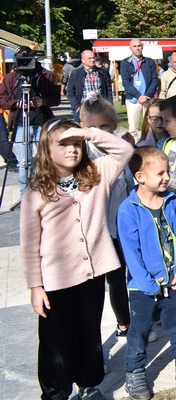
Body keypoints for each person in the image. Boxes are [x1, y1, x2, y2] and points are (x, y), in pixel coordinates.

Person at [21, 119, 134, 400]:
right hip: (55, 280)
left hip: (92, 274)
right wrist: (35, 286)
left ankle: (89, 384)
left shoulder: (96, 175)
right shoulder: (36, 193)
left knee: (89, 333)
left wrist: (87, 132)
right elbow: (30, 245)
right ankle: (56, 392)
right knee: (56, 341)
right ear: (46, 149)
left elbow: (125, 151)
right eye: (63, 144)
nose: (72, 149)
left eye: (77, 144)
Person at [118, 148, 176, 399]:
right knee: (140, 331)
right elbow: (131, 253)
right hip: (143, 287)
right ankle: (135, 372)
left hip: (175, 282)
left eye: (167, 171)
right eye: (160, 173)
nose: (167, 177)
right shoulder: (128, 210)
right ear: (139, 176)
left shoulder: (174, 201)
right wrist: (147, 283)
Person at [78, 96, 138, 343]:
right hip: (95, 228)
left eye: (104, 127)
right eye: (93, 128)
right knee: (98, 282)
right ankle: (96, 333)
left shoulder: (121, 148)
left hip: (120, 225)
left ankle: (128, 320)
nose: (99, 133)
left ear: (113, 125)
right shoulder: (82, 152)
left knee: (122, 276)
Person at [0, 48, 61, 192]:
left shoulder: (46, 76)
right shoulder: (11, 77)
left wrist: (42, 101)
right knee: (24, 162)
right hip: (20, 123)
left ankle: (45, 192)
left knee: (45, 159)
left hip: (42, 121)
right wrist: (16, 103)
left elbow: (56, 99)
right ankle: (25, 195)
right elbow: (2, 99)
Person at [120, 39, 159, 143]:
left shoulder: (149, 61)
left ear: (142, 47)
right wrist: (138, 96)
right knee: (133, 129)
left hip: (147, 98)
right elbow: (125, 82)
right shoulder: (125, 62)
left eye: (139, 46)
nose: (137, 48)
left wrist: (147, 94)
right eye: (134, 46)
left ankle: (151, 147)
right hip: (133, 99)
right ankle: (134, 149)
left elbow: (155, 80)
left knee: (151, 127)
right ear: (130, 48)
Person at [66, 49, 112, 122]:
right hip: (83, 108)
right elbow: (70, 91)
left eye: (93, 58)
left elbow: (108, 89)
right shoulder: (76, 73)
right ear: (83, 60)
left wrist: (109, 104)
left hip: (100, 107)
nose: (92, 60)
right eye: (89, 58)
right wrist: (76, 107)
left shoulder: (103, 72)